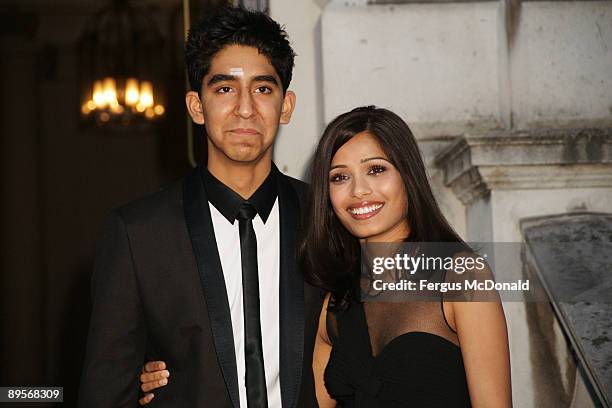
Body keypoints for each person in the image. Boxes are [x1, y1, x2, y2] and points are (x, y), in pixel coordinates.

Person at [142, 106, 512, 407]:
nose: (359, 191)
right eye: (339, 177)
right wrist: (168, 383)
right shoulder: (333, 302)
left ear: (408, 177)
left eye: (376, 170)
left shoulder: (462, 276)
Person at [78, 6, 322, 407]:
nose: (245, 108)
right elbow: (105, 390)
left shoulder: (324, 217)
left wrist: (460, 270)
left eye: (263, 89)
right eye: (224, 89)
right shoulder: (137, 232)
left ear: (286, 105)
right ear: (196, 106)